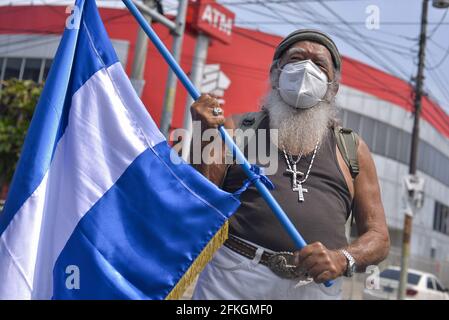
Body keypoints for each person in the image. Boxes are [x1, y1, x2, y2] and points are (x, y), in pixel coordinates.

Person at [189, 29, 390, 300]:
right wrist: (203, 136)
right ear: (275, 74)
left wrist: (342, 258)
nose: (306, 70)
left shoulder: (353, 149)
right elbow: (198, 203)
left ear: (333, 88)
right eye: (296, 59)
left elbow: (379, 237)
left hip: (315, 288)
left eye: (319, 64)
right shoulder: (237, 130)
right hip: (234, 280)